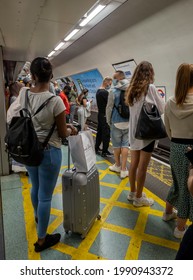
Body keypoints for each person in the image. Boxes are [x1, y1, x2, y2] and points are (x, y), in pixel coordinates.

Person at [7, 57, 77, 252]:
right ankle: (42, 240)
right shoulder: (56, 102)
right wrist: (71, 129)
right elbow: (62, 133)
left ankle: (39, 217)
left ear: (33, 76)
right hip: (49, 152)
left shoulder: (24, 95)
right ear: (51, 76)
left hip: (30, 149)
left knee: (35, 187)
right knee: (46, 196)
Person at [125, 61, 165, 206]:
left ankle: (132, 192)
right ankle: (139, 198)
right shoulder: (150, 88)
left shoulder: (131, 89)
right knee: (143, 167)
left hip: (134, 134)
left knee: (134, 164)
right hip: (146, 135)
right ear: (150, 73)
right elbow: (161, 109)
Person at [163, 63, 193, 239]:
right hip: (191, 150)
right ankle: (180, 228)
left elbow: (168, 130)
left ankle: (167, 212)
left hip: (175, 147)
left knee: (176, 183)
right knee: (188, 190)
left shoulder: (170, 103)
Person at [106, 70, 129, 179]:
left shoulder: (113, 91)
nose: (113, 81)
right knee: (125, 145)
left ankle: (118, 165)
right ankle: (124, 170)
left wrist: (108, 120)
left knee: (116, 145)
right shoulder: (131, 89)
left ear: (118, 78)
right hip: (128, 121)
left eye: (114, 78)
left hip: (116, 121)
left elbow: (109, 107)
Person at [95, 77, 113, 157]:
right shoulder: (105, 92)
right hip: (105, 115)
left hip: (100, 114)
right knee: (106, 133)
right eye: (110, 83)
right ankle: (104, 151)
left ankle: (96, 148)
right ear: (106, 82)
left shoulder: (98, 91)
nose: (110, 85)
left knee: (99, 132)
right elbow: (110, 104)